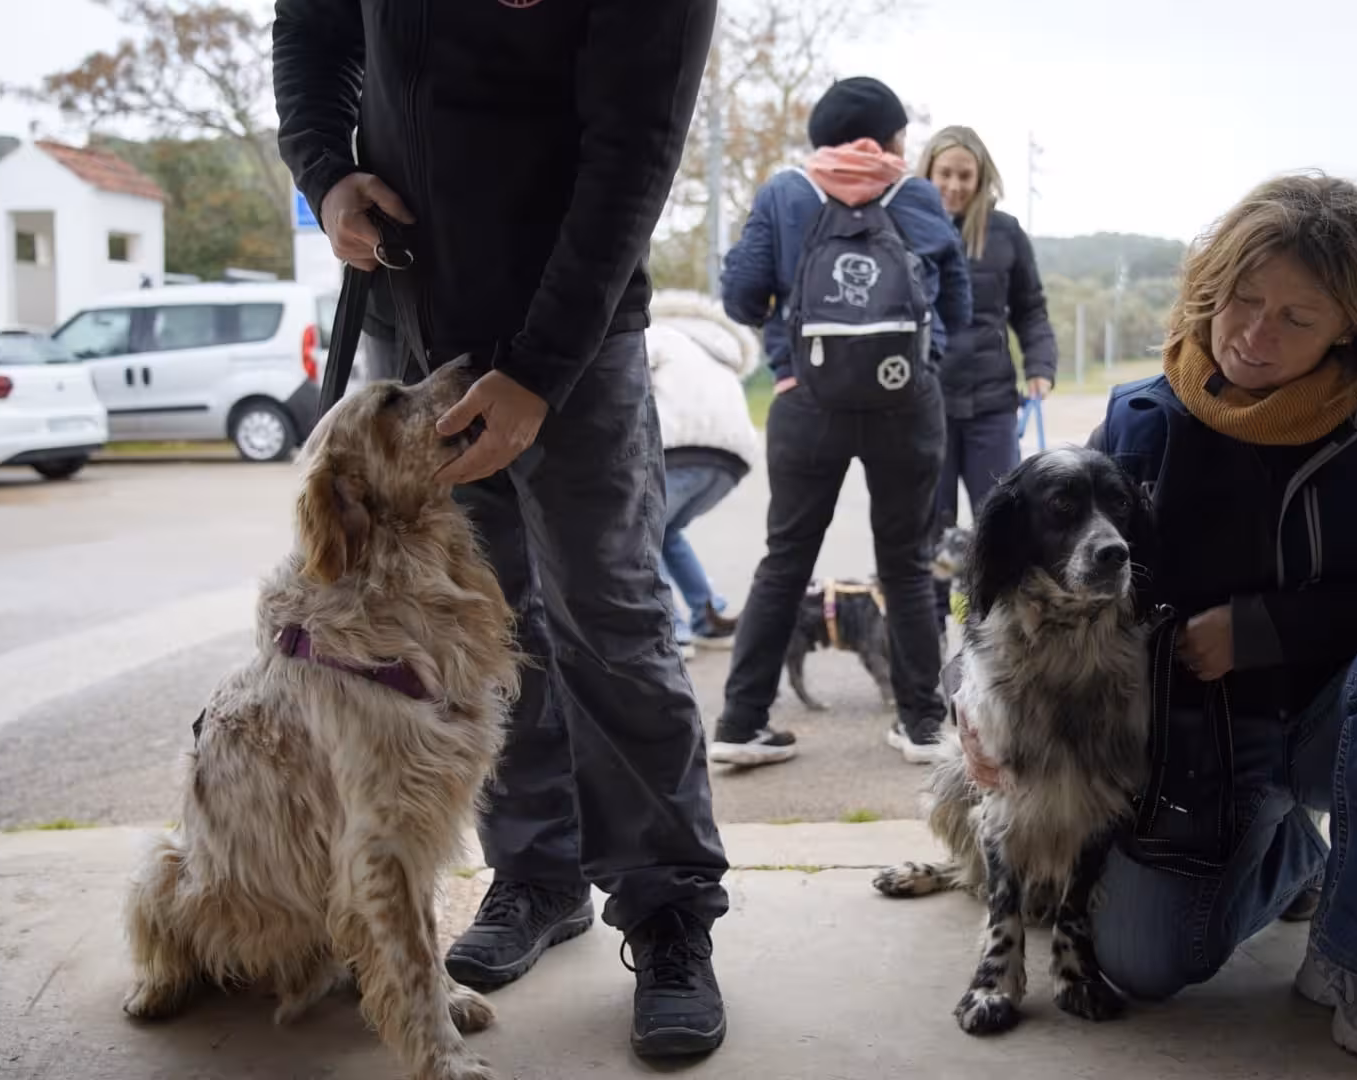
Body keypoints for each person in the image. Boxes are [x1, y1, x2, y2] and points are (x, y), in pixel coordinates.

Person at [272, 0, 731, 1060]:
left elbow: (635, 148)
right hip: (412, 316)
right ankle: (536, 874)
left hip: (573, 332)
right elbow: (311, 27)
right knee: (468, 637)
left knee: (608, 623)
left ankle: (667, 914)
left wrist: (540, 372)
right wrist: (324, 171)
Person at [968, 174, 1357, 1057]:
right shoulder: (1143, 418)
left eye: (1299, 317)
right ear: (1209, 291)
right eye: (1242, 300)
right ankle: (1298, 855)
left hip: (1350, 723)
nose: (1255, 334)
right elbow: (1020, 561)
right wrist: (968, 687)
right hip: (1200, 747)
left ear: (1354, 328)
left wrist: (1267, 630)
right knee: (1139, 961)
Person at [713, 76, 972, 767]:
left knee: (784, 564)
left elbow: (740, 296)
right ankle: (922, 726)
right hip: (905, 405)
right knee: (909, 568)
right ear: (889, 137)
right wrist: (922, 363)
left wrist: (790, 363)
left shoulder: (784, 193)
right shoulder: (914, 195)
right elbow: (960, 309)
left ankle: (740, 725)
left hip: (806, 407)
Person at [917, 126, 1058, 631]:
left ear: (980, 179)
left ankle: (993, 631)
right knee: (927, 529)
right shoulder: (905, 224)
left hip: (992, 405)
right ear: (928, 172)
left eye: (965, 175)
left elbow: (1031, 309)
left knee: (1001, 523)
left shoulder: (1005, 232)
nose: (954, 185)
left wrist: (1040, 366)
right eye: (945, 173)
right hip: (924, 403)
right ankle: (927, 640)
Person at [645, 290, 761, 657]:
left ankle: (670, 630)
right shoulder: (714, 347)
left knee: (639, 533)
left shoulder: (655, 333)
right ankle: (709, 616)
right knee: (668, 532)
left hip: (678, 446)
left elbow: (627, 378)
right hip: (732, 458)